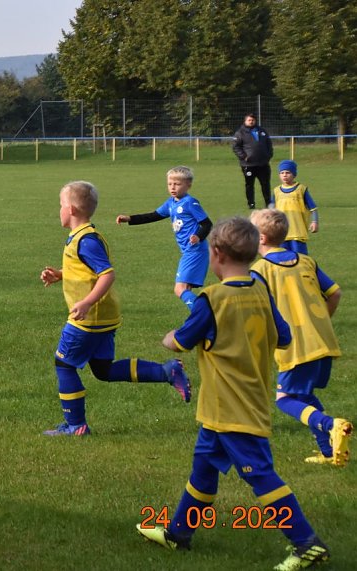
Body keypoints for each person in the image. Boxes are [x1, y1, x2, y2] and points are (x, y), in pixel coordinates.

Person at [137, 216, 331, 571]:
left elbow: (181, 341)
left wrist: (168, 338)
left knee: (260, 475)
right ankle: (179, 533)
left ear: (217, 254)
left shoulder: (212, 299)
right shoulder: (259, 287)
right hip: (234, 402)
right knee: (204, 469)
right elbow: (284, 336)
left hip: (232, 408)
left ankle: (307, 543)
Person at [39, 181, 191, 437]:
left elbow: (106, 275)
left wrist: (86, 302)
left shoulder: (86, 240)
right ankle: (166, 371)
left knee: (64, 365)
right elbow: (85, 270)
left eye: (61, 205)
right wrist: (61, 274)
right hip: (103, 317)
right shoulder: (83, 237)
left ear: (73, 209)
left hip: (88, 318)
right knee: (103, 370)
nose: (59, 210)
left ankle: (76, 425)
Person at [249, 209, 350, 466]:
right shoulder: (306, 260)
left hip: (295, 345)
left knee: (285, 400)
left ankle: (331, 425)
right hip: (323, 340)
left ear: (260, 238)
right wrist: (322, 321)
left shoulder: (260, 270)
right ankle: (330, 453)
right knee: (304, 396)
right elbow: (335, 294)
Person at [116, 166, 212, 310]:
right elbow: (153, 215)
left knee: (179, 289)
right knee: (185, 289)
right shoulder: (171, 203)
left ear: (188, 185)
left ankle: (205, 313)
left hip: (195, 251)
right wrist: (129, 218)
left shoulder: (190, 203)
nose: (173, 187)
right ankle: (200, 317)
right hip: (188, 251)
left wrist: (198, 236)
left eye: (177, 184)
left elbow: (207, 224)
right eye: (170, 184)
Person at [269, 160, 319, 254]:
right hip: (282, 232)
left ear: (294, 174)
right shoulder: (276, 191)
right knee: (284, 259)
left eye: (288, 172)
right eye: (282, 173)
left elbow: (313, 208)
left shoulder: (301, 189)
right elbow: (271, 210)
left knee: (300, 258)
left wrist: (315, 222)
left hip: (298, 232)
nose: (284, 175)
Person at [232, 112, 274, 209]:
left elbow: (269, 144)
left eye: (253, 120)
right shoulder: (240, 133)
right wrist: (244, 156)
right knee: (249, 185)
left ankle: (268, 203)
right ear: (245, 121)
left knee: (266, 184)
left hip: (263, 164)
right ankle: (251, 203)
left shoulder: (262, 131)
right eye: (249, 120)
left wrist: (269, 155)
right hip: (249, 164)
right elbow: (235, 147)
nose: (251, 122)